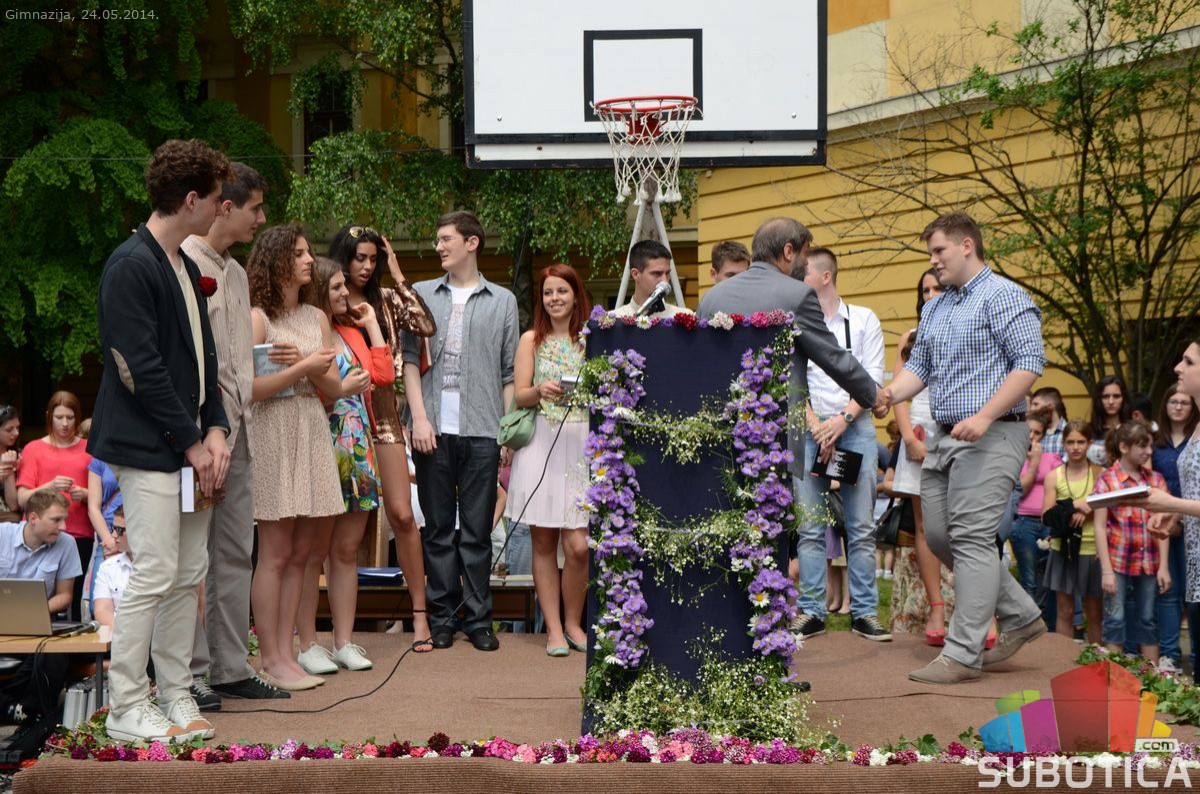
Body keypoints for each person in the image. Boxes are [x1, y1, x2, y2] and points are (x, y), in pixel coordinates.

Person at [87, 139, 233, 743]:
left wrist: (217, 428)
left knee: (187, 570)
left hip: (189, 445)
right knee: (152, 572)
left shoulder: (184, 266)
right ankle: (126, 704)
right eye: (218, 200)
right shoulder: (131, 265)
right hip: (148, 447)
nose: (223, 209)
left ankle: (174, 693)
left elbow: (204, 362)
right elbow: (137, 369)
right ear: (192, 200)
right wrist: (193, 442)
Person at [883, 210, 1047, 685]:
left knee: (972, 538)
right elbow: (920, 369)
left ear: (967, 246)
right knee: (939, 536)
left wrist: (986, 415)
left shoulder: (1004, 295)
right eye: (931, 253)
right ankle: (1020, 616)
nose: (934, 261)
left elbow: (1029, 363)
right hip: (943, 437)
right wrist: (889, 394)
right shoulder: (937, 307)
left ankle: (963, 653)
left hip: (994, 434)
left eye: (939, 251)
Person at [699, 220, 889, 591]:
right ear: (789, 251)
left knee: (728, 530)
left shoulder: (712, 299)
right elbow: (832, 357)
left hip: (722, 436)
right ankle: (769, 610)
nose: (805, 263)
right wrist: (873, 394)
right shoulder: (797, 296)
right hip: (776, 438)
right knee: (772, 535)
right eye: (804, 254)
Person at [181, 162, 289, 708]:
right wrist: (206, 429)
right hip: (200, 433)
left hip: (239, 428)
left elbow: (238, 361)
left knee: (234, 551)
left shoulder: (239, 273)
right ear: (225, 206)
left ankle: (229, 666)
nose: (261, 219)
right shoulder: (182, 261)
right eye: (255, 208)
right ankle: (188, 672)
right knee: (190, 557)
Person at [403, 211, 519, 652]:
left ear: (472, 243)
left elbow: (509, 373)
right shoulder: (421, 294)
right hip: (432, 428)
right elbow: (409, 362)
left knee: (476, 531)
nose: (438, 246)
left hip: (484, 429)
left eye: (446, 238)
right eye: (437, 239)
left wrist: (506, 432)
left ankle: (479, 619)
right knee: (437, 530)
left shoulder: (503, 301)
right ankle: (443, 619)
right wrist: (419, 419)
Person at [329, 223, 437, 652]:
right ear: (344, 257)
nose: (367, 266)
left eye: (374, 259)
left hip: (386, 416)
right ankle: (337, 631)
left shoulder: (386, 298)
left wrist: (397, 271)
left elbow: (425, 324)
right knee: (340, 528)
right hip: (342, 417)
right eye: (360, 258)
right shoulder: (331, 301)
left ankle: (419, 614)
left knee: (403, 515)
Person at [246, 224, 344, 689]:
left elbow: (334, 388)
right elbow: (252, 389)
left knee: (304, 551)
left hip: (310, 424)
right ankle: (271, 656)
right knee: (276, 551)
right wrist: (304, 365)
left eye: (309, 252)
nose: (309, 260)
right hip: (273, 430)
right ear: (277, 261)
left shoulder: (317, 317)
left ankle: (288, 654)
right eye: (300, 253)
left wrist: (307, 367)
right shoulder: (258, 318)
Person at [295, 257, 394, 673]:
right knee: (313, 551)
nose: (344, 293)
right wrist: (339, 389)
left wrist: (372, 326)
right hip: (321, 441)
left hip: (358, 447)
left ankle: (344, 641)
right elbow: (301, 392)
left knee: (347, 549)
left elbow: (384, 376)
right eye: (336, 287)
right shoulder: (305, 332)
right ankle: (306, 643)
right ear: (320, 290)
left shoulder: (350, 332)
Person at [792, 247, 890, 641]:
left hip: (855, 429)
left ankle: (864, 612)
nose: (796, 279)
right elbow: (791, 381)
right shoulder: (795, 323)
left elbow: (872, 380)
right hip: (811, 430)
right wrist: (818, 427)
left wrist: (840, 422)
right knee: (810, 527)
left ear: (825, 276)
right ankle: (812, 611)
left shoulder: (864, 319)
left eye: (803, 273)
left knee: (860, 527)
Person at [505, 264, 591, 656]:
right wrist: (540, 389)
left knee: (578, 544)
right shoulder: (531, 340)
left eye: (561, 291)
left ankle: (574, 622)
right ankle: (554, 630)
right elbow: (519, 395)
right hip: (542, 441)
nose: (554, 299)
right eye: (548, 293)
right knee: (543, 540)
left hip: (582, 444)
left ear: (576, 295)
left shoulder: (591, 340)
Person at [890, 269, 955, 645]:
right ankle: (936, 607)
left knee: (966, 523)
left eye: (938, 288)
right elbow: (898, 392)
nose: (930, 294)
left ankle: (983, 610)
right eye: (925, 290)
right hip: (919, 430)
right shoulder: (910, 336)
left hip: (958, 429)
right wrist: (907, 441)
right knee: (925, 526)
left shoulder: (966, 327)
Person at [1131, 341, 1200, 670]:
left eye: (1188, 362)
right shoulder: (1196, 426)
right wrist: (1174, 515)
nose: (1177, 368)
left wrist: (1171, 502)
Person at [0, 491, 80, 759]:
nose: (63, 526)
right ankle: (18, 710)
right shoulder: (2, 535)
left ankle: (21, 710)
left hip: (42, 625)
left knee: (53, 655)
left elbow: (65, 596)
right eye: (56, 520)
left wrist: (33, 611)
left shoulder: (67, 544)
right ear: (33, 518)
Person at [1092, 421, 1170, 663]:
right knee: (1114, 619)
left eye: (1150, 446)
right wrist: (1106, 571)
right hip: (1117, 561)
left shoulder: (1155, 479)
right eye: (1142, 446)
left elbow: (1163, 526)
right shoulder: (1107, 480)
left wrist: (1164, 566)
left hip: (1149, 561)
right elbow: (1099, 526)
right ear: (1124, 447)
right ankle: (1112, 677)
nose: (1149, 451)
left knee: (1148, 619)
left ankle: (1151, 677)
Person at [15, 391, 92, 620]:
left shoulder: (89, 449)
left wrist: (84, 494)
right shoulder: (33, 449)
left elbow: (102, 497)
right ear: (49, 416)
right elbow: (22, 499)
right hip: (38, 533)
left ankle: (72, 642)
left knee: (73, 598)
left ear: (78, 417)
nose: (65, 423)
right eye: (59, 417)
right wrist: (50, 486)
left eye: (70, 417)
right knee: (32, 592)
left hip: (79, 533)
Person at [1148, 384, 1196, 673]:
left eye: (1184, 402)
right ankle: (1169, 654)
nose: (1178, 407)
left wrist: (1179, 515)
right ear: (1164, 405)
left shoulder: (1196, 439)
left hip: (1193, 523)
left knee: (1194, 594)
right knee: (1168, 589)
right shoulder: (1156, 444)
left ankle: (1195, 656)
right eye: (1173, 401)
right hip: (1163, 526)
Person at [1041, 421, 1103, 645]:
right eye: (1071, 442)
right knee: (1065, 610)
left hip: (1093, 547)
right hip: (1063, 548)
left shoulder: (1100, 473)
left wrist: (1090, 509)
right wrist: (1074, 505)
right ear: (1063, 444)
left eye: (1081, 442)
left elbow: (1111, 508)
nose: (1076, 447)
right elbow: (1046, 516)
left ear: (1089, 443)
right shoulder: (1054, 476)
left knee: (1094, 611)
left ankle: (1096, 659)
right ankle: (1063, 660)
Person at [1011, 411, 1062, 627]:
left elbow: (1061, 487)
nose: (1032, 436)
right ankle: (1028, 626)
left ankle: (1048, 626)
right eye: (1028, 431)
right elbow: (1020, 490)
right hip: (1023, 523)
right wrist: (1033, 463)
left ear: (1043, 436)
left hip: (1048, 524)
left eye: (1037, 433)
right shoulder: (1014, 458)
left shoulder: (1053, 459)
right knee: (1029, 578)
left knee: (1049, 578)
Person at [613, 240, 694, 318]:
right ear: (635, 274)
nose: (665, 281)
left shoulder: (684, 317)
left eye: (667, 273)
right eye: (657, 273)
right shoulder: (615, 319)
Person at [92, 506, 131, 628]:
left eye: (119, 530)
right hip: (119, 634)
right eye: (113, 528)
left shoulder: (161, 566)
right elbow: (101, 611)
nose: (113, 535)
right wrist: (127, 634)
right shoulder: (108, 567)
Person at [1088, 376, 1131, 466]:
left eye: (1116, 396)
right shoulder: (1088, 431)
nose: (1111, 402)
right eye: (1105, 396)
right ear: (1099, 399)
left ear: (1124, 399)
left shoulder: (1132, 431)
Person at [1030, 387, 1068, 459]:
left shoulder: (1069, 432)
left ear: (1050, 407)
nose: (1031, 408)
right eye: (1031, 405)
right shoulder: (1031, 432)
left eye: (1036, 404)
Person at [0, 404, 20, 522]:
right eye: (9, 429)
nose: (16, 433)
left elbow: (13, 505)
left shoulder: (19, 456)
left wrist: (9, 471)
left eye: (18, 427)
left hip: (12, 520)